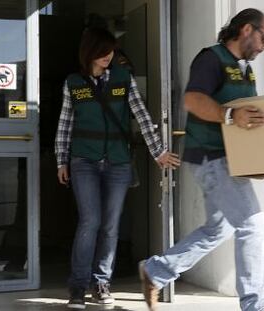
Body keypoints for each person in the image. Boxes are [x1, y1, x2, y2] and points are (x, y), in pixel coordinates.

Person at [138, 8, 264, 311]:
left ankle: (155, 271)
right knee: (252, 226)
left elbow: (248, 116)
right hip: (211, 157)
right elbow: (193, 100)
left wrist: (260, 157)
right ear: (247, 29)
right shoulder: (211, 58)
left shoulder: (243, 67)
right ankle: (256, 305)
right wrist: (230, 115)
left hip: (231, 159)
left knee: (218, 229)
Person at [54, 27, 180, 309]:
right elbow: (65, 124)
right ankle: (77, 286)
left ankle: (101, 283)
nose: (108, 56)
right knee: (90, 222)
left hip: (118, 163)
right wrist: (61, 160)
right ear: (89, 52)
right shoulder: (73, 83)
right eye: (103, 51)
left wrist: (158, 152)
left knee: (110, 226)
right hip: (83, 161)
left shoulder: (124, 78)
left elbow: (142, 115)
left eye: (111, 50)